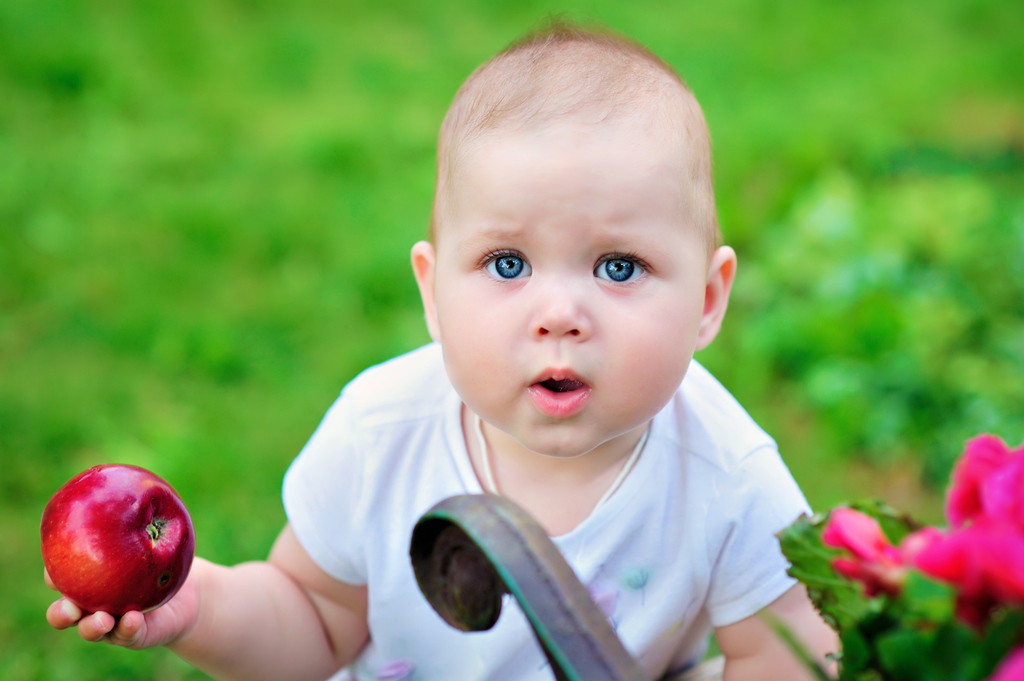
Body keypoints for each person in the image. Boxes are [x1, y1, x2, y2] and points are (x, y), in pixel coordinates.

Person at [45, 20, 837, 681]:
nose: (559, 313)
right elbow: (316, 622)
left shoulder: (727, 475)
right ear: (432, 292)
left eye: (618, 266)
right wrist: (196, 608)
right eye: (508, 264)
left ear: (705, 299)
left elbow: (787, 651)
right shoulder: (380, 434)